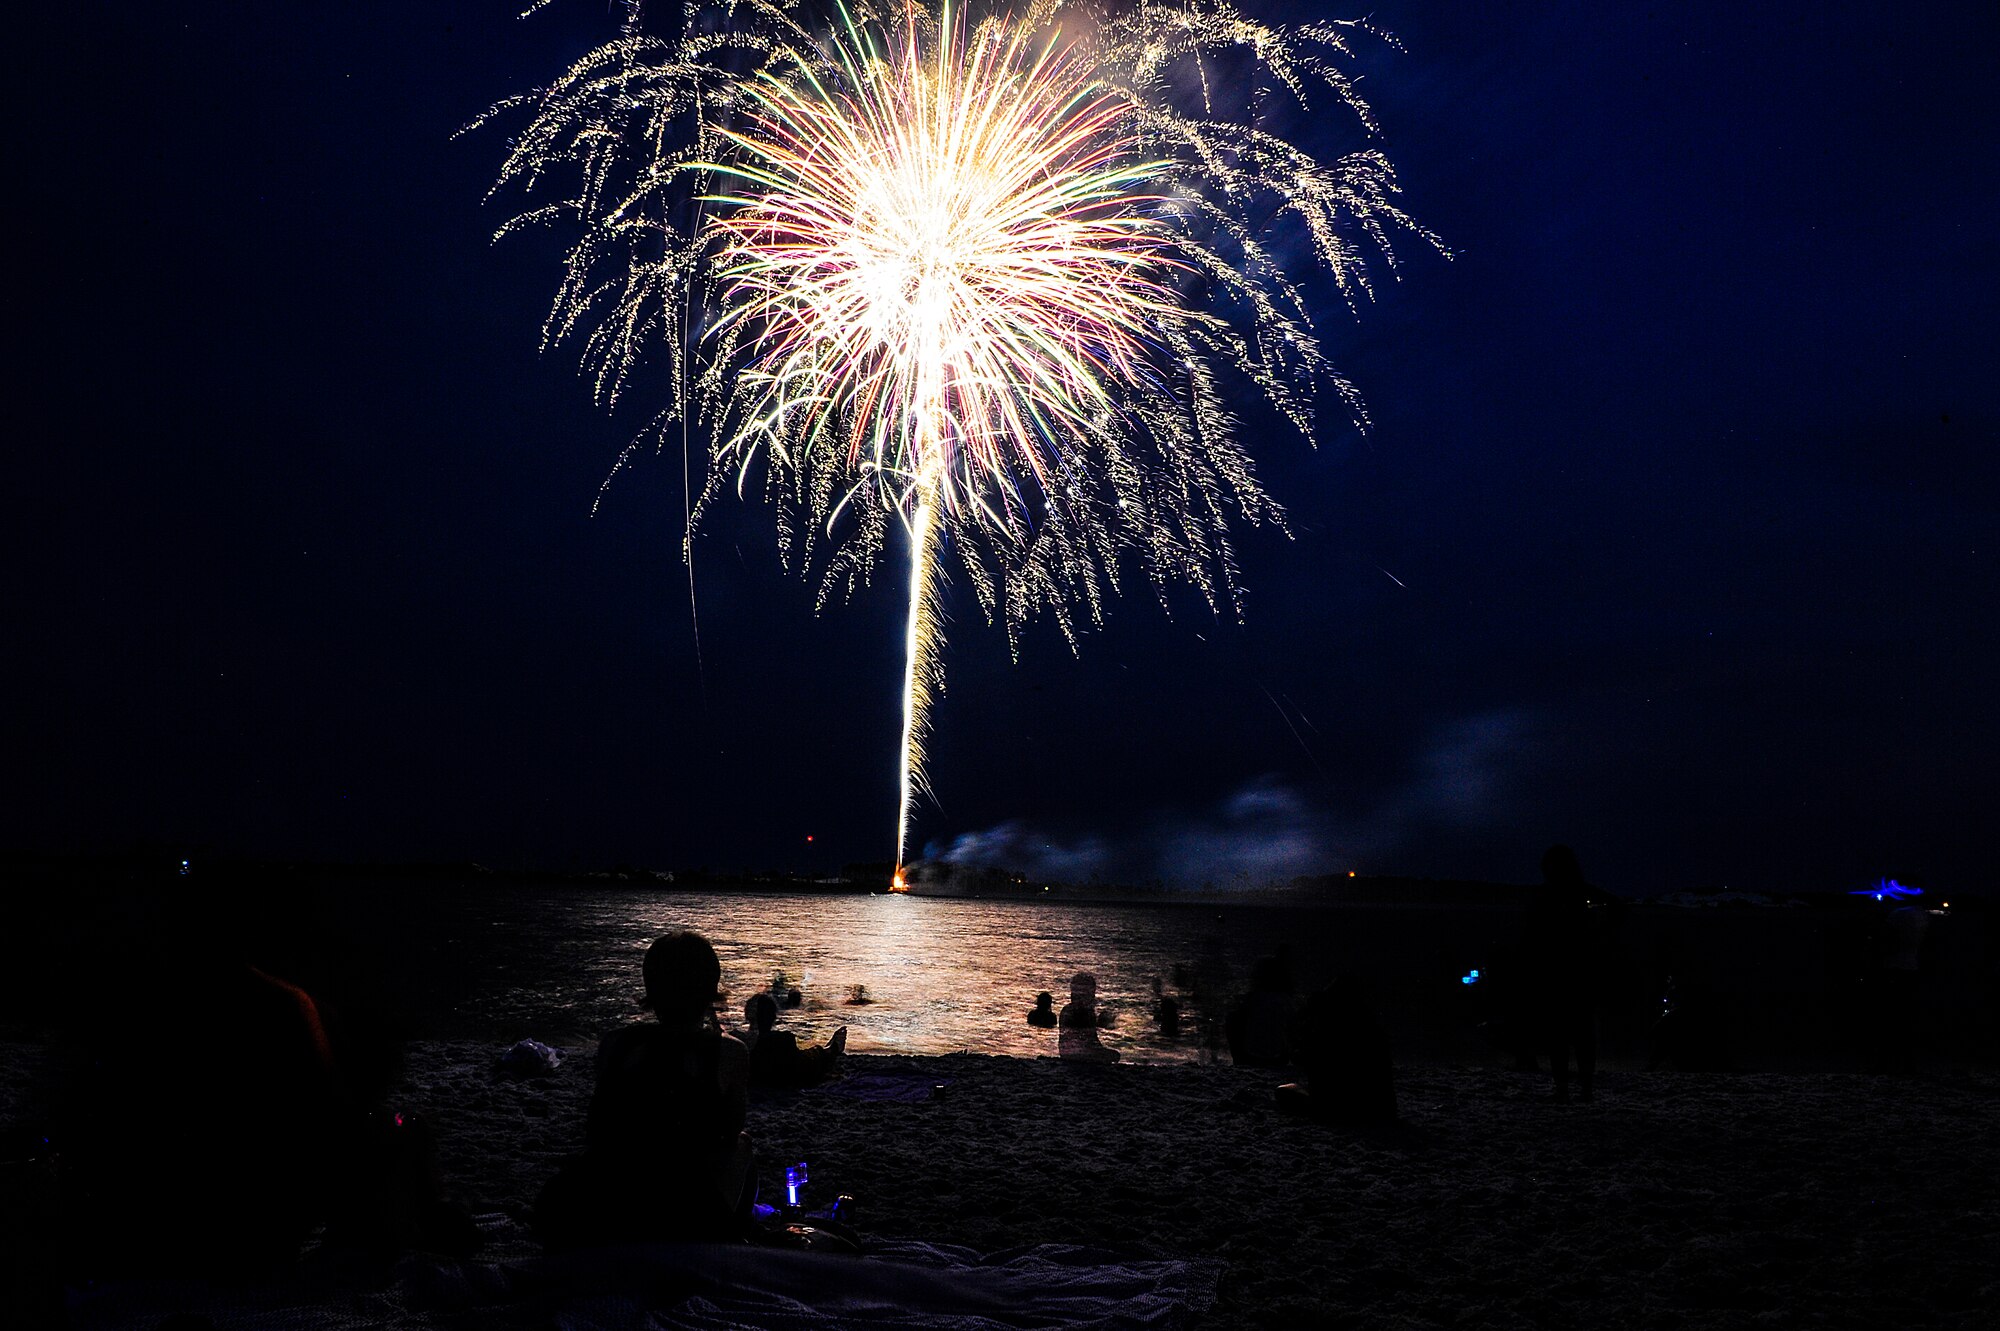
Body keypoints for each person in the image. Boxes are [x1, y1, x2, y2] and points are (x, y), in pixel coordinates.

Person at [536, 931, 755, 1249]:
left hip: (608, 1197)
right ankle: (733, 1237)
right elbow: (731, 1131)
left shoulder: (615, 1044)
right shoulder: (730, 1052)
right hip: (681, 1213)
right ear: (709, 988)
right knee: (744, 1146)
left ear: (651, 986)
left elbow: (598, 1127)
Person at [1525, 845, 1599, 1102]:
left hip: (1563, 973)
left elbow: (1533, 935)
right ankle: (1577, 1087)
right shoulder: (1577, 892)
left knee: (1565, 1034)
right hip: (1573, 972)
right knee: (1577, 1034)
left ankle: (1568, 1088)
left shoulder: (1553, 895)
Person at [1277, 978, 1397, 1128]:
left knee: (1284, 1092)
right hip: (1381, 1110)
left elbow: (1306, 1064)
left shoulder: (1329, 1031)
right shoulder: (1373, 1031)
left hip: (1340, 1109)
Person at [742, 991, 847, 1088]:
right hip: (779, 1080)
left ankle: (828, 1050)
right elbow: (802, 1067)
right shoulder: (783, 1040)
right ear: (773, 1018)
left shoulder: (737, 1042)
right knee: (811, 1058)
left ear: (747, 1016)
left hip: (756, 1081)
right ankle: (832, 1049)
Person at [1058, 973, 1120, 1063]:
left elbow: (1090, 1039)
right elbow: (1088, 1041)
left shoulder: (1067, 1010)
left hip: (1066, 1053)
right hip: (1079, 1054)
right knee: (1114, 1056)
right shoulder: (1085, 1012)